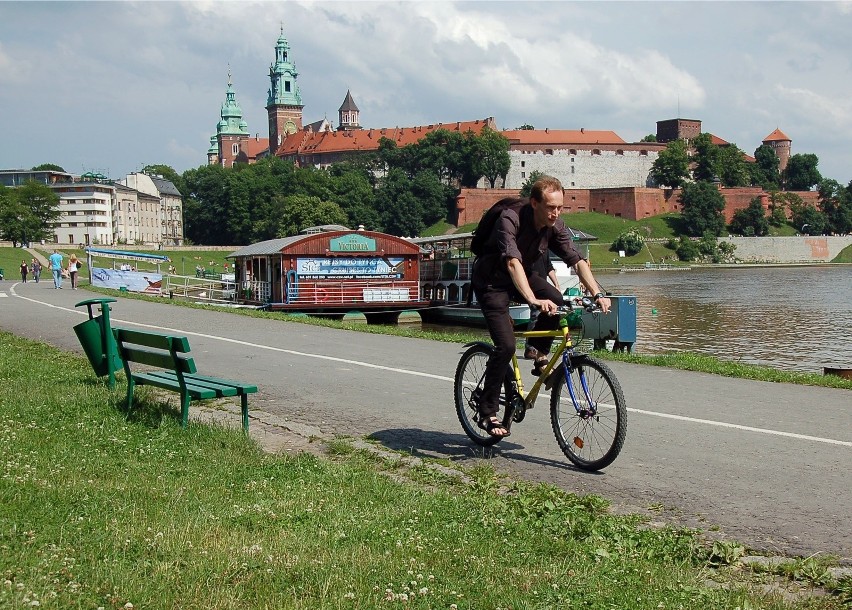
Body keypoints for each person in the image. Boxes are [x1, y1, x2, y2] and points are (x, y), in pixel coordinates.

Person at [471, 175, 611, 438]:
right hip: (491, 281)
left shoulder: (554, 225)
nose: (555, 214)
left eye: (559, 208)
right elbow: (512, 261)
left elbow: (577, 260)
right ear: (534, 203)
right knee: (506, 345)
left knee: (557, 300)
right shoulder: (510, 219)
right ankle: (487, 410)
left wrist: (597, 293)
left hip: (521, 276)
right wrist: (533, 300)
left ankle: (537, 353)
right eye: (550, 207)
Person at [524, 255, 560, 360]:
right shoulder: (530, 248)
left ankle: (541, 351)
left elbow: (549, 267)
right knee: (535, 315)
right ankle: (530, 348)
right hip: (530, 288)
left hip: (542, 288)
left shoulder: (544, 249)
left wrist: (556, 285)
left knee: (551, 315)